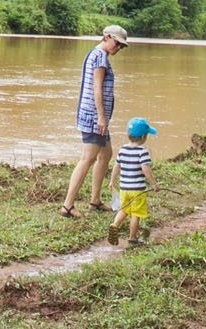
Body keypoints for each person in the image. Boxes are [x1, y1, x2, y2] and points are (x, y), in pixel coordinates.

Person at [61, 25, 128, 217]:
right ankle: (67, 206)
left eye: (121, 46)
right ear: (106, 37)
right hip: (94, 116)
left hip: (96, 116)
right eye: (117, 43)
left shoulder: (97, 54)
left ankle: (95, 200)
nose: (118, 48)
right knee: (87, 159)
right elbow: (96, 88)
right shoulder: (99, 57)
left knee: (106, 154)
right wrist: (100, 117)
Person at [107, 117, 157, 245]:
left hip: (124, 188)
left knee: (124, 209)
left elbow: (116, 166)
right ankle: (132, 237)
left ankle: (115, 224)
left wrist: (112, 181)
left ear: (128, 134)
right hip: (137, 190)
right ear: (143, 136)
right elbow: (145, 169)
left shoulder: (122, 149)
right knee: (136, 214)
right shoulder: (142, 151)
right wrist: (153, 184)